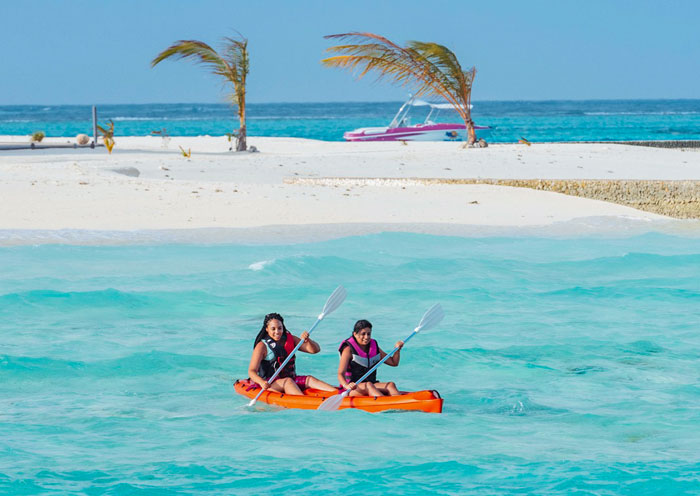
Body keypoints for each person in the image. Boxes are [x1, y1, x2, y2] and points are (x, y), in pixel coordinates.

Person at [248, 312, 336, 395]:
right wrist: (262, 382)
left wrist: (308, 341)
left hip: (291, 379)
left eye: (280, 328)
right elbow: (252, 371)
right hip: (270, 384)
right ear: (267, 329)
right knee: (288, 382)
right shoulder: (262, 346)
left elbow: (315, 350)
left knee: (309, 379)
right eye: (273, 329)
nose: (277, 332)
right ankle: (304, 401)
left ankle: (339, 393)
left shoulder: (290, 339)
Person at [337, 319, 404, 397]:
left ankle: (399, 405)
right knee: (369, 385)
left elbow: (393, 362)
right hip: (352, 388)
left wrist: (397, 350)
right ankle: (384, 404)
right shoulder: (348, 350)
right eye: (363, 334)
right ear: (355, 334)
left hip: (371, 384)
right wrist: (346, 385)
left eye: (369, 334)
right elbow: (340, 374)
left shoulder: (374, 347)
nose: (366, 337)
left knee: (390, 385)